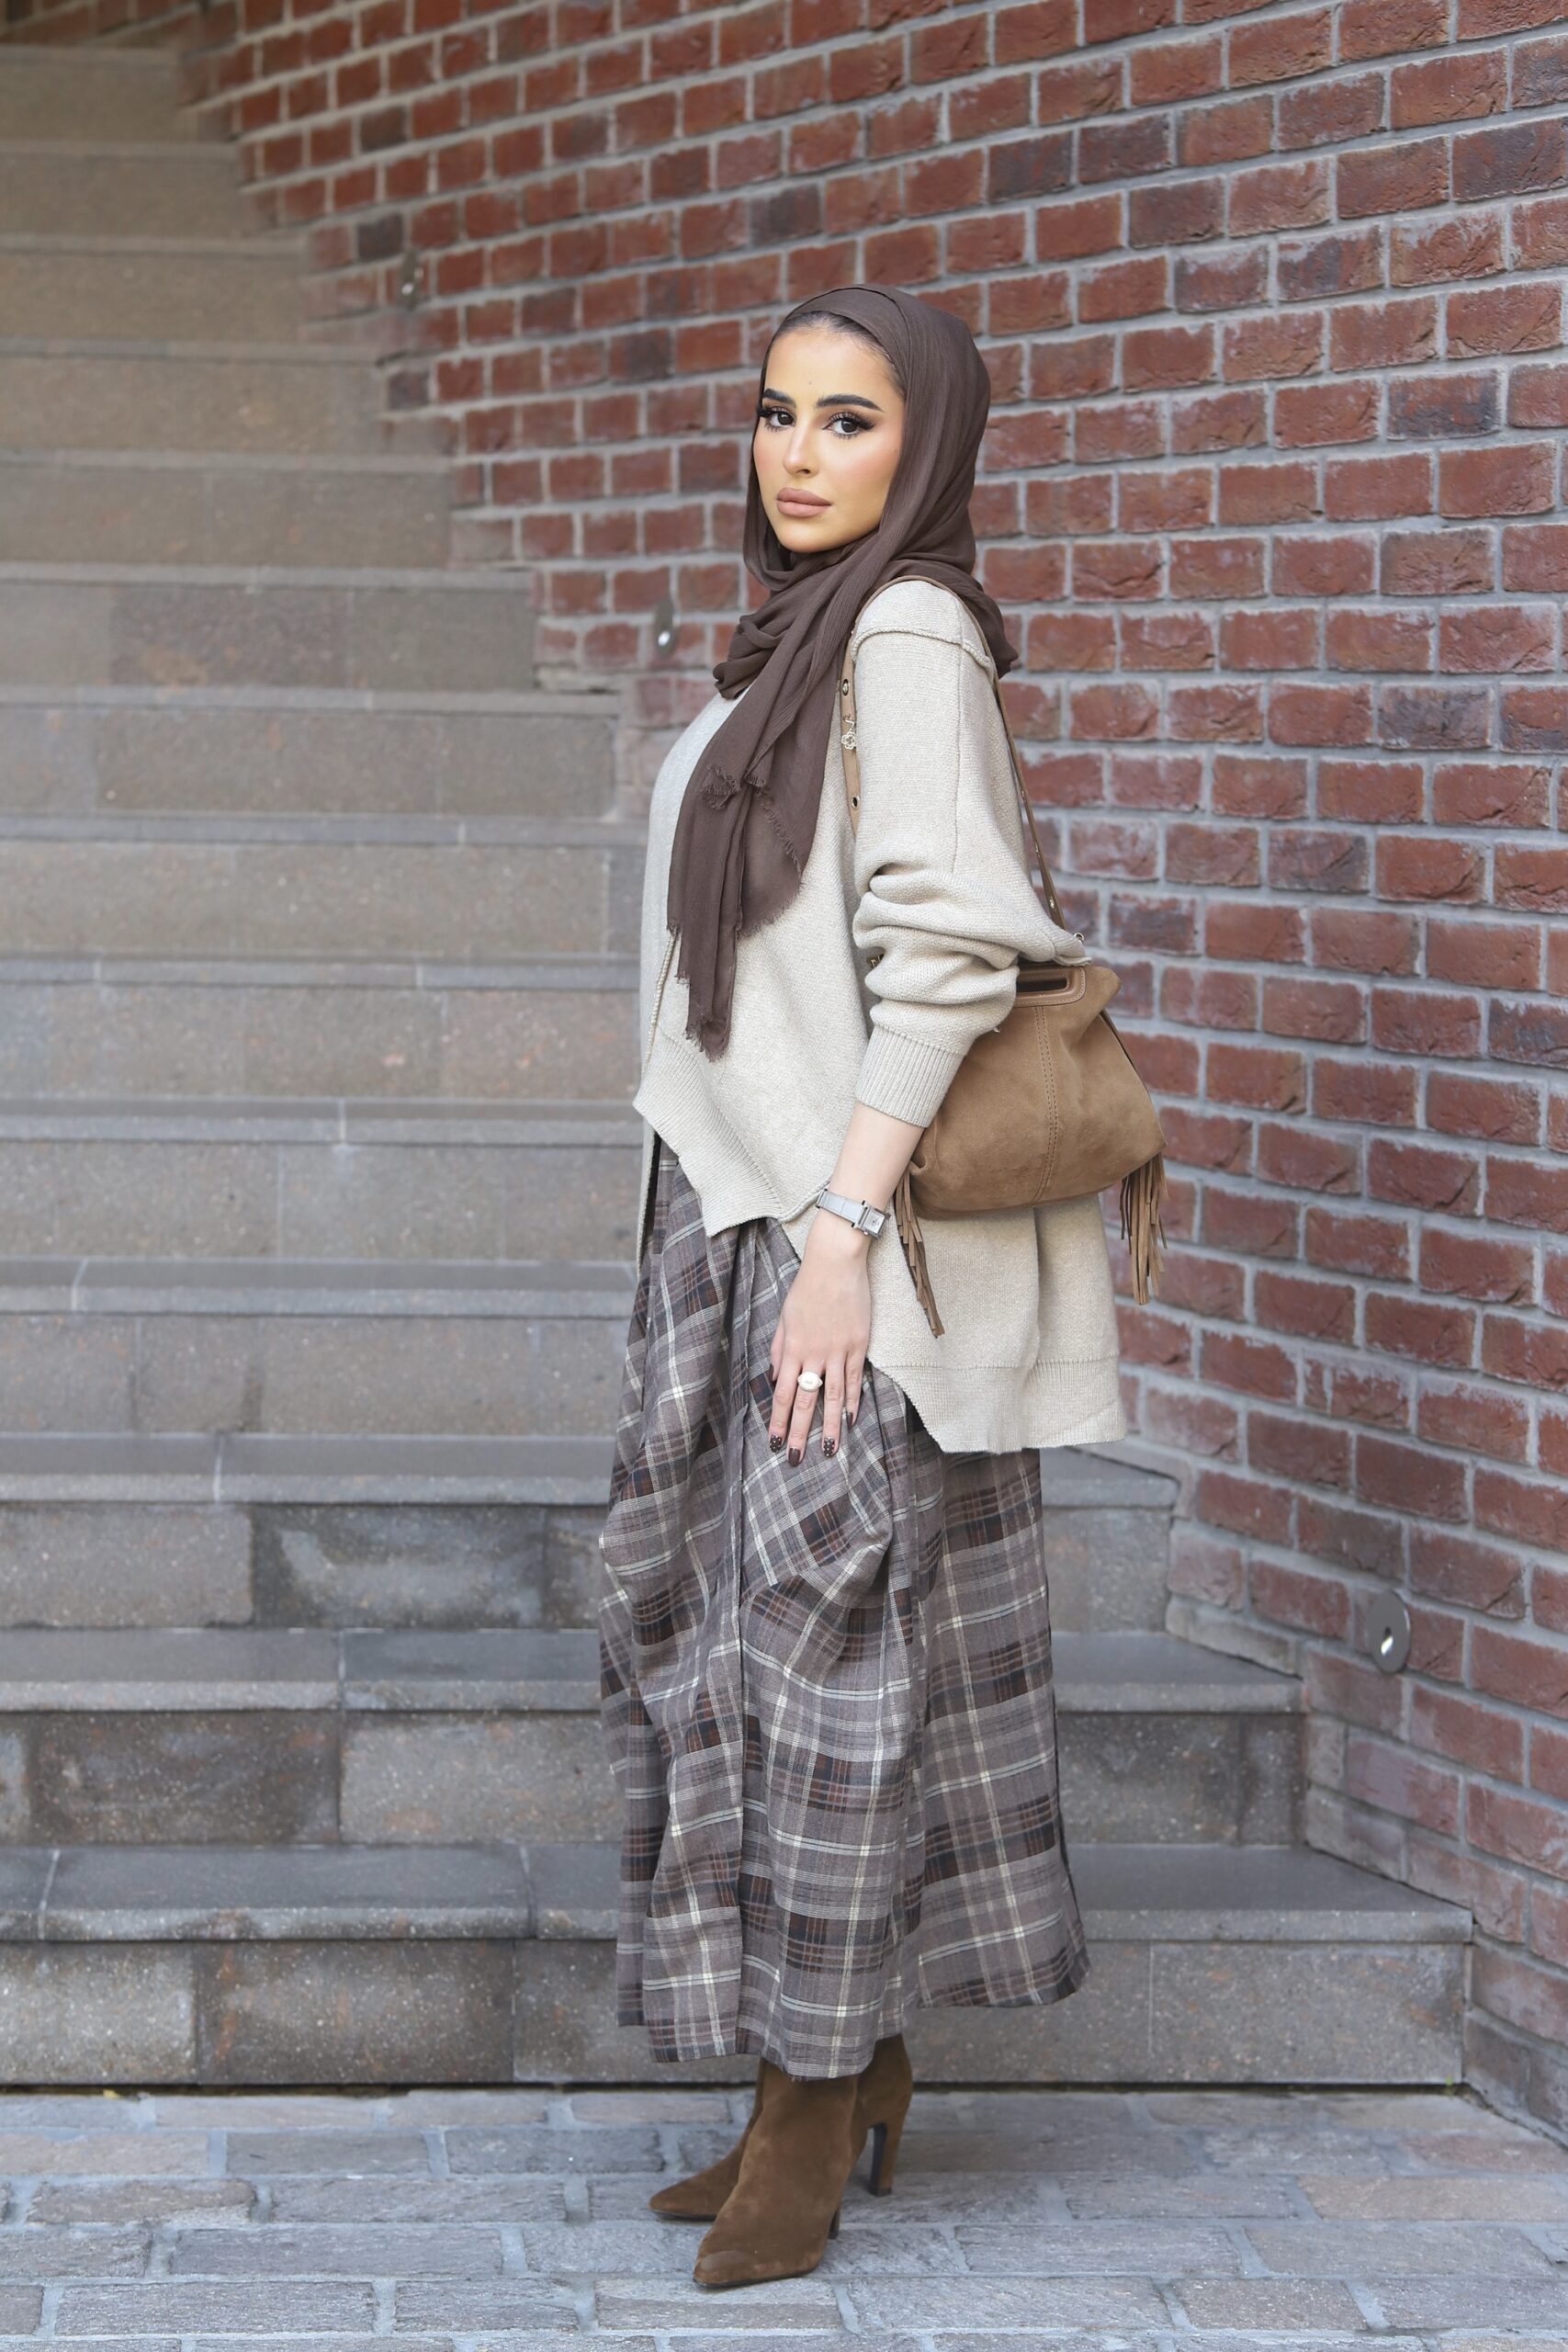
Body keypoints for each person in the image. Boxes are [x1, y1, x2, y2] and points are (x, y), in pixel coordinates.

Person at [597, 284, 1125, 2292]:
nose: (798, 455)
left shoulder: (901, 635)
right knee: (742, 1641)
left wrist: (835, 1243)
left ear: (928, 446)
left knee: (821, 1654)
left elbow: (949, 957)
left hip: (841, 1241)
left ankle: (813, 2100)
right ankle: (833, 2057)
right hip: (737, 1215)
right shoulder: (790, 642)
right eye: (776, 413)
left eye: (848, 420)